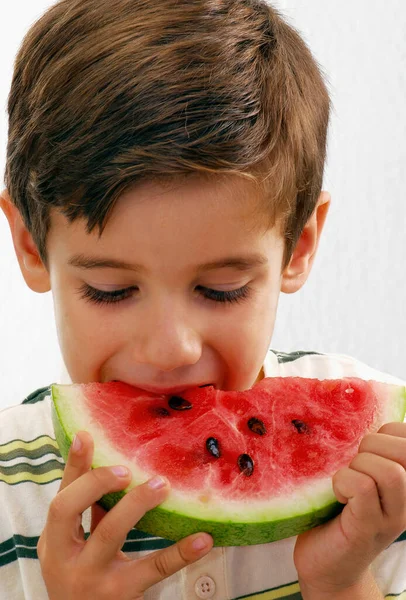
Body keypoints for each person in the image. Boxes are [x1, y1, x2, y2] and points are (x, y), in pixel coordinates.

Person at [0, 0, 405, 598]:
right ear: (32, 247)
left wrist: (342, 582)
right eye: (111, 291)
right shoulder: (13, 500)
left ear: (299, 247)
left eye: (222, 290)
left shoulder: (378, 475)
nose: (170, 348)